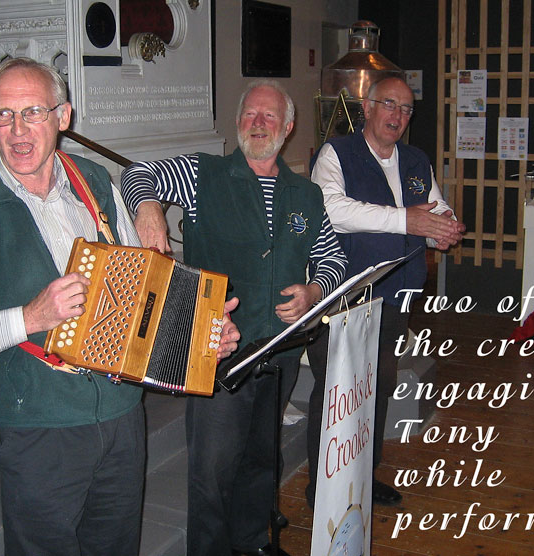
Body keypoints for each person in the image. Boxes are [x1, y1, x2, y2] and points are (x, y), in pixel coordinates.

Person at [0, 57, 239, 556]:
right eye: (2, 114)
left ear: (63, 116)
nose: (17, 130)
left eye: (33, 112)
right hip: (38, 429)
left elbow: (141, 291)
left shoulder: (95, 181)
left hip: (122, 417)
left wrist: (200, 336)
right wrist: (26, 319)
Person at [121, 80, 347, 556]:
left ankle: (252, 542)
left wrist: (314, 291)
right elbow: (137, 172)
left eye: (269, 116)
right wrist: (148, 208)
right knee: (213, 472)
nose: (258, 123)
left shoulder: (307, 194)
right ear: (238, 120)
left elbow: (334, 260)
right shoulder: (200, 174)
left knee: (262, 459)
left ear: (288, 127)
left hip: (281, 350)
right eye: (250, 114)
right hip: (217, 353)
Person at [306, 76, 465, 508]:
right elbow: (331, 210)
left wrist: (443, 226)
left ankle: (364, 476)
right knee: (335, 391)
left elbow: (433, 206)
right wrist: (406, 220)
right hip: (344, 294)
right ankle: (321, 490)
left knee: (376, 387)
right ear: (367, 107)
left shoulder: (415, 160)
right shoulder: (336, 153)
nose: (398, 115)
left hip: (396, 294)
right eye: (390, 105)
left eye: (406, 108)